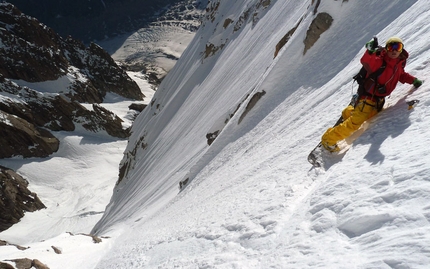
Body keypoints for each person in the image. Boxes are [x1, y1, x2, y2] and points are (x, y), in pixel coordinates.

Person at [321, 36, 423, 152]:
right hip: (368, 98)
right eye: (391, 47)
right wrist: (369, 51)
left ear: (401, 49)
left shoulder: (399, 63)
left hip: (379, 99)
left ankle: (348, 112)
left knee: (370, 116)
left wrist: (413, 80)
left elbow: (401, 75)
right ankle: (328, 140)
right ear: (386, 49)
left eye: (397, 47)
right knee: (355, 123)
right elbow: (366, 61)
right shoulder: (379, 60)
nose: (394, 50)